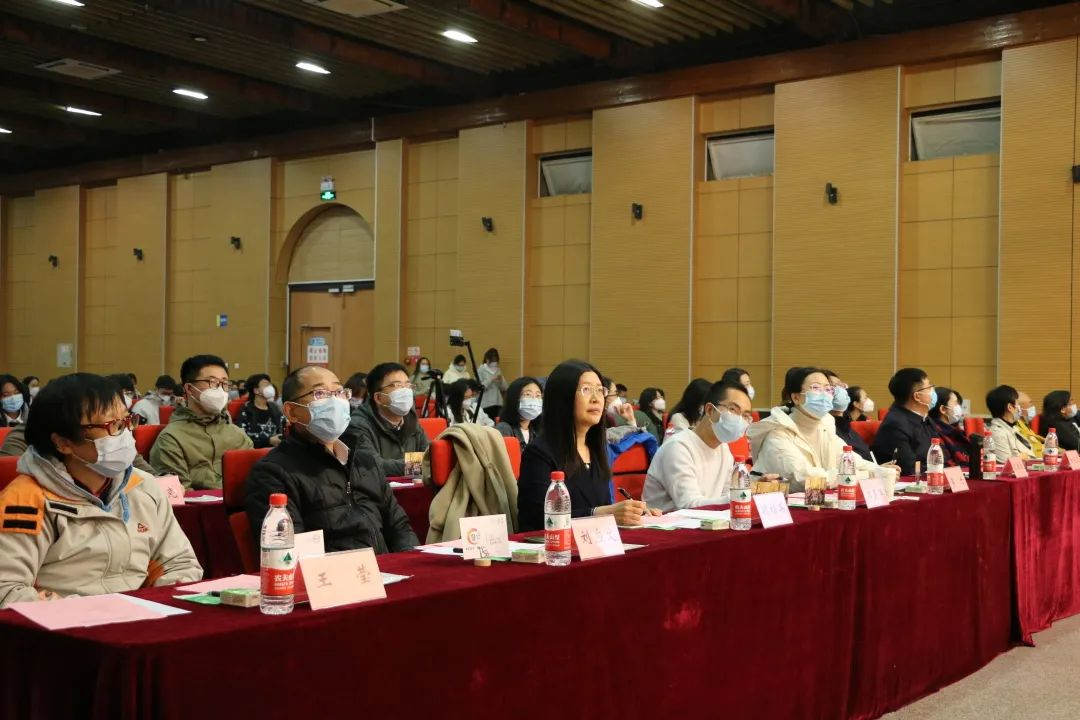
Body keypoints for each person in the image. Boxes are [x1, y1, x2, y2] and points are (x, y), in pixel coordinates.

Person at [0, 373, 202, 607]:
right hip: (66, 621)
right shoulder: (25, 500)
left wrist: (154, 605)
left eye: (127, 420)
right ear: (63, 442)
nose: (125, 434)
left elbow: (180, 564)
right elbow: (7, 590)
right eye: (112, 425)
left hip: (143, 614)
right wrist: (92, 612)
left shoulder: (143, 486)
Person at [244, 365, 418, 554]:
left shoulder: (374, 450)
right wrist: (419, 464)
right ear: (292, 412)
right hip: (333, 569)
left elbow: (400, 526)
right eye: (320, 393)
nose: (335, 401)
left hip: (383, 566)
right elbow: (288, 553)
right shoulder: (274, 472)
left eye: (339, 392)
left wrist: (407, 562)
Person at [517, 360, 658, 531]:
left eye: (599, 390)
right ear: (563, 397)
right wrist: (602, 513)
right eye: (586, 390)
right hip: (555, 545)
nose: (596, 399)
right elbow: (538, 519)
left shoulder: (598, 450)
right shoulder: (539, 453)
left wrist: (634, 513)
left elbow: (603, 506)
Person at [748, 367, 887, 490]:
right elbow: (807, 480)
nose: (824, 394)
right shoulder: (777, 434)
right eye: (816, 388)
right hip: (785, 506)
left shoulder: (825, 426)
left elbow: (849, 460)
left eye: (828, 389)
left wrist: (880, 470)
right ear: (796, 397)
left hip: (817, 502)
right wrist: (867, 475)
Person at [643, 380, 752, 512]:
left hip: (706, 520)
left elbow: (725, 497)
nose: (740, 420)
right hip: (667, 522)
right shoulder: (678, 447)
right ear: (710, 410)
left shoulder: (724, 449)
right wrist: (741, 497)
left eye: (745, 415)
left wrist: (754, 489)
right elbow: (688, 504)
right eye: (733, 410)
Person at [149, 355, 253, 489]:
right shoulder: (171, 439)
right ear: (189, 388)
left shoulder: (238, 435)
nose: (220, 389)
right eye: (212, 382)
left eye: (224, 383)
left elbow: (254, 479)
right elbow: (178, 493)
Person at [341, 362, 430, 477]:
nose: (405, 391)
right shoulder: (358, 425)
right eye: (396, 385)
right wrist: (420, 465)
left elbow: (429, 457)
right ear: (378, 397)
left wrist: (423, 464)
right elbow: (374, 466)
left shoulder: (411, 420)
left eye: (408, 385)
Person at [871, 367, 948, 477]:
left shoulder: (925, 418)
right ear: (917, 396)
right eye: (929, 387)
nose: (933, 391)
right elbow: (908, 467)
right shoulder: (895, 425)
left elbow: (942, 455)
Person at [823, 370, 872, 461]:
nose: (841, 389)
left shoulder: (846, 424)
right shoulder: (826, 428)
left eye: (841, 385)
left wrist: (879, 467)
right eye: (834, 386)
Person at [986, 385, 1038, 464]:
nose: (1019, 408)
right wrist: (1021, 458)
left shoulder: (1013, 428)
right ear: (1010, 407)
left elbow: (1030, 454)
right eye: (1018, 404)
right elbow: (1006, 463)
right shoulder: (997, 433)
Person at [236, 373, 286, 449]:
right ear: (256, 390)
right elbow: (242, 437)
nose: (270, 387)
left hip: (276, 450)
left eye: (270, 385)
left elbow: (283, 427)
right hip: (255, 451)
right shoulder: (246, 410)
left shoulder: (274, 407)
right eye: (266, 384)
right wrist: (268, 440)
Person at [603, 377, 658, 442]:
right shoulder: (597, 425)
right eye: (615, 394)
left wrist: (631, 420)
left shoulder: (609, 420)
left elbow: (635, 442)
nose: (618, 399)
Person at [495, 377, 543, 448]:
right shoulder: (504, 429)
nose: (534, 399)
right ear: (514, 398)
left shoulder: (536, 431)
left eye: (538, 395)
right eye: (528, 394)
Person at [928, 386, 970, 467]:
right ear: (943, 409)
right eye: (955, 403)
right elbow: (947, 465)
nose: (959, 407)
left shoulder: (955, 430)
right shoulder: (935, 432)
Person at [477, 348, 508, 420]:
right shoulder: (481, 370)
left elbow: (504, 388)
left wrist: (501, 380)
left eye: (495, 361)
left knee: (497, 422)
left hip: (498, 402)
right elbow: (479, 388)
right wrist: (491, 379)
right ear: (487, 359)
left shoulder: (498, 370)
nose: (494, 363)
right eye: (492, 361)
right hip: (485, 403)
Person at [1015, 390, 1045, 456]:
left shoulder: (1024, 424)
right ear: (1019, 408)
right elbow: (1031, 448)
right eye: (1030, 404)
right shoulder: (1015, 427)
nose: (1033, 408)